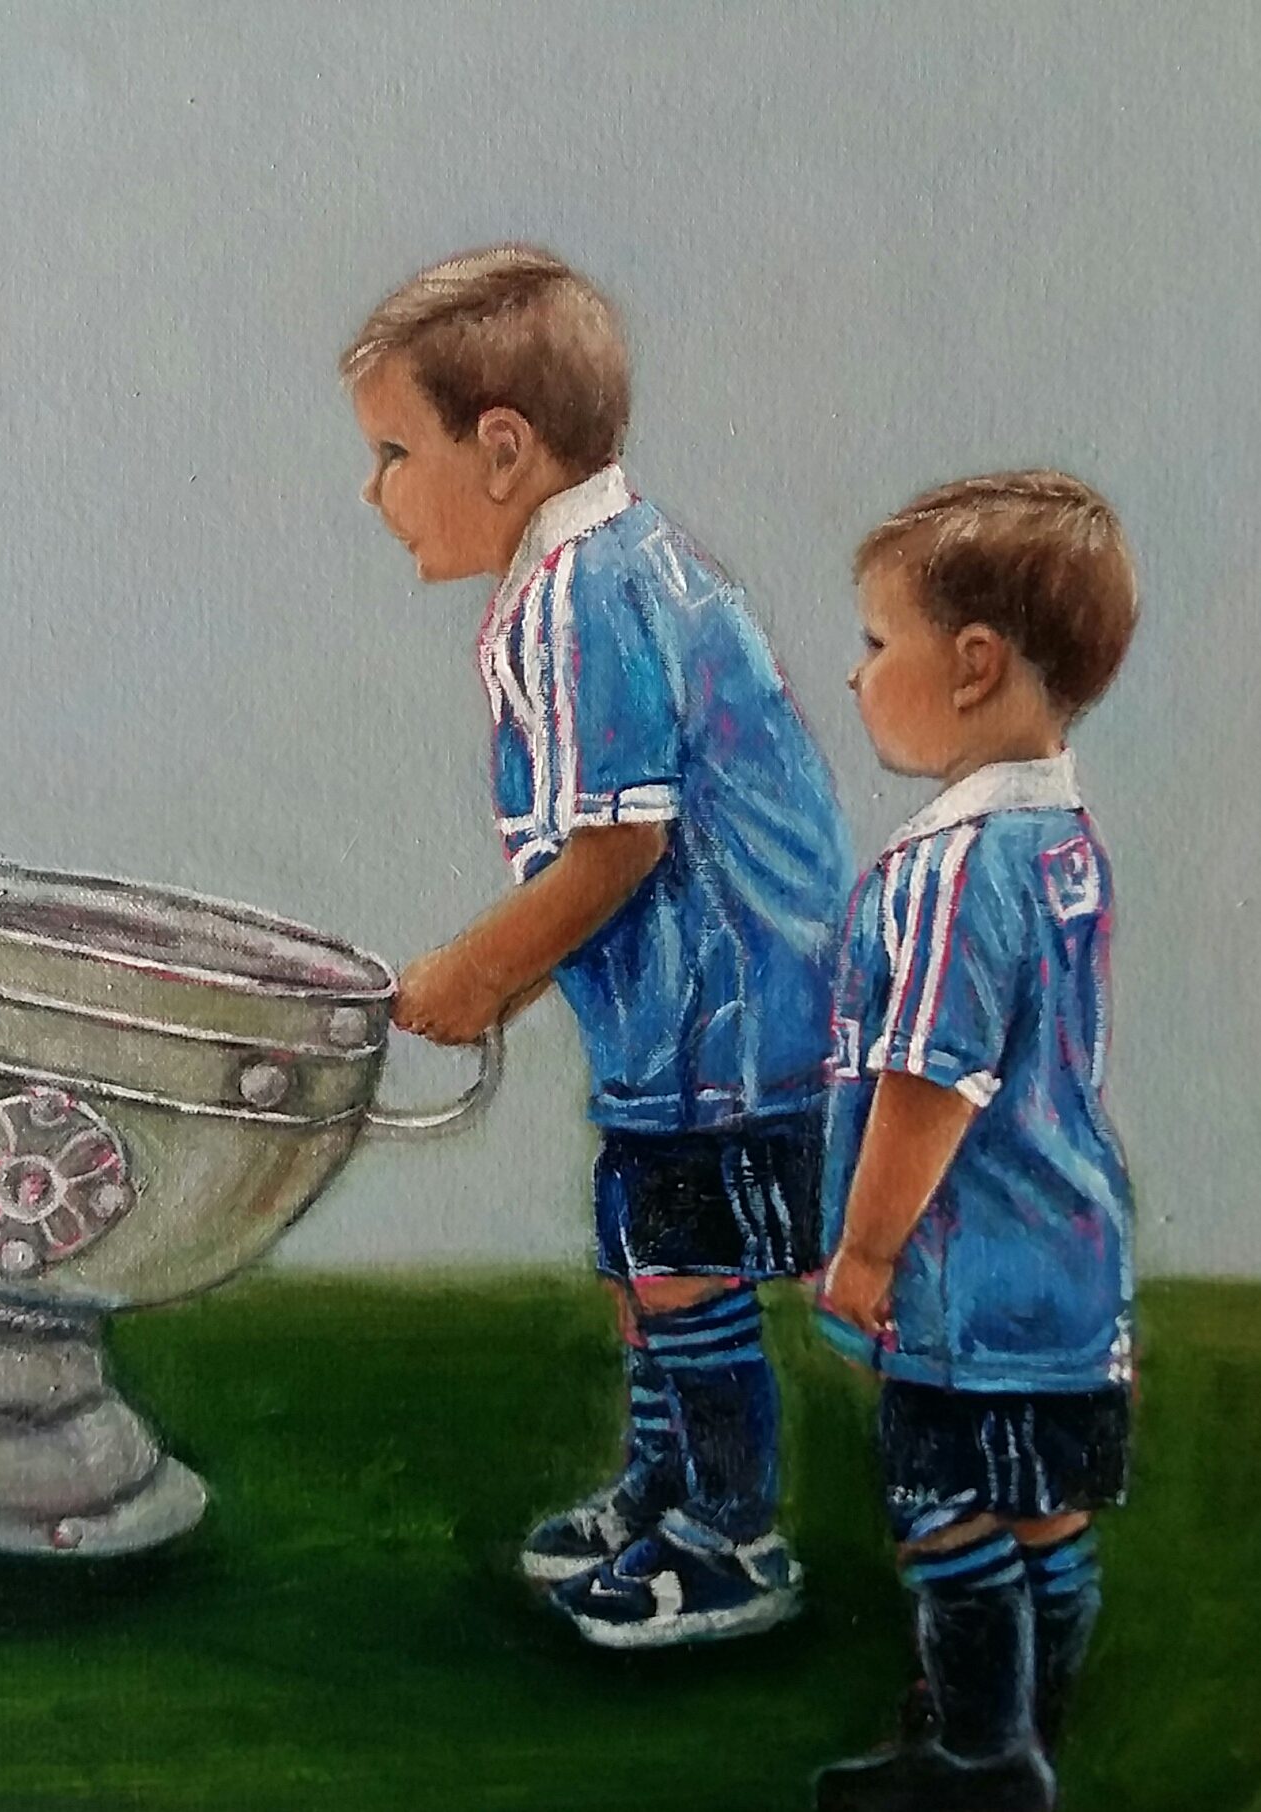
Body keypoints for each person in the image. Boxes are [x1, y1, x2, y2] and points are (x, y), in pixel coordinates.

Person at [341, 245, 850, 1646]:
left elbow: (620, 847)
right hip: (684, 1017)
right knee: (644, 1257)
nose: (376, 492)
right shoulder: (595, 571)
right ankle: (664, 1488)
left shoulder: (589, 592)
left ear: (502, 449)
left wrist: (480, 972)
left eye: (394, 453)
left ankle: (731, 1535)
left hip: (726, 1021)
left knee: (681, 1263)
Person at [813, 472, 1138, 1812]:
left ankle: (982, 1758)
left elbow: (930, 1084)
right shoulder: (1065, 842)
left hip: (966, 1274)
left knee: (944, 1512)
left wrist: (865, 1250)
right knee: (1047, 1510)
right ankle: (1024, 1728)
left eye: (878, 641)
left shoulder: (953, 870)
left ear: (974, 664)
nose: (856, 674)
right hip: (1072, 1268)